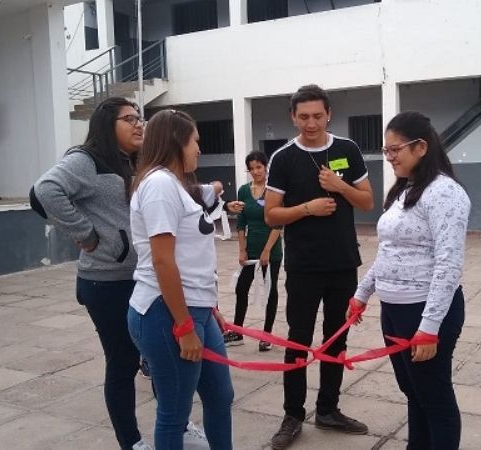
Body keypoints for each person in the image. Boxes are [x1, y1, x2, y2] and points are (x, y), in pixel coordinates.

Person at [31, 97, 151, 450]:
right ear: (106, 125)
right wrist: (85, 233)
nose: (138, 123)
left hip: (137, 277)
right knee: (122, 362)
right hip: (106, 282)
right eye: (129, 118)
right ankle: (131, 442)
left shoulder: (130, 161)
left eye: (139, 117)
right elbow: (45, 190)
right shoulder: (85, 160)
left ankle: (176, 426)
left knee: (155, 353)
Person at [349, 111, 470, 450]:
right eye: (385, 151)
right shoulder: (407, 190)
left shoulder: (445, 193)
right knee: (414, 394)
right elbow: (390, 251)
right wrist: (362, 293)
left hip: (425, 312)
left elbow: (449, 263)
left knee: (435, 400)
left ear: (421, 147)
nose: (389, 158)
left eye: (394, 150)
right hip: (396, 311)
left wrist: (429, 326)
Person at [264, 84, 374, 449]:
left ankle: (328, 409)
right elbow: (270, 215)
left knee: (335, 339)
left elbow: (368, 202)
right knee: (297, 339)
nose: (310, 123)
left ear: (329, 114)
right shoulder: (282, 158)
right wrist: (307, 208)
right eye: (303, 116)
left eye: (317, 115)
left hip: (343, 262)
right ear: (293, 117)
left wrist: (339, 186)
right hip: (303, 266)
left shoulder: (347, 150)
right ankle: (292, 414)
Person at [126, 109, 234, 450]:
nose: (198, 149)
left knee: (220, 396)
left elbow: (192, 256)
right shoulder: (159, 185)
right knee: (175, 412)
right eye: (195, 142)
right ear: (177, 142)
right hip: (166, 313)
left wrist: (207, 307)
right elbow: (162, 260)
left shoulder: (178, 185)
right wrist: (185, 326)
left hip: (196, 309)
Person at [223, 151, 283, 351]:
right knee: (241, 288)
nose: (256, 171)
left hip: (271, 250)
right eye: (252, 168)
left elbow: (278, 223)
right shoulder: (243, 191)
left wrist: (267, 250)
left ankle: (266, 335)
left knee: (269, 291)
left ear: (266, 167)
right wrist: (242, 249)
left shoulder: (275, 190)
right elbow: (241, 222)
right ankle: (237, 331)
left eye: (259, 167)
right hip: (251, 249)